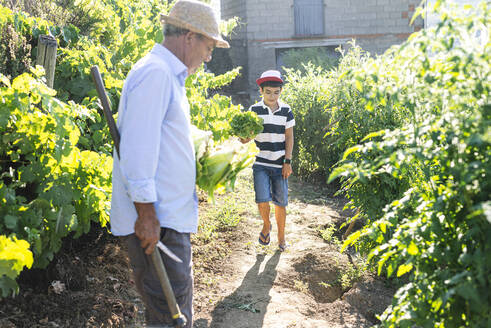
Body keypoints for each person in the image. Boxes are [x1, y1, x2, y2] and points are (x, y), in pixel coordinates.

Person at [109, 1, 229, 327]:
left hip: (166, 222)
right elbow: (137, 149)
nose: (208, 56)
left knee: (171, 310)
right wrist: (147, 215)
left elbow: (161, 140)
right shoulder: (156, 74)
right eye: (208, 46)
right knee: (171, 316)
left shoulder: (168, 75)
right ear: (189, 37)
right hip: (158, 225)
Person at [240, 70, 295, 252]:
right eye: (268, 92)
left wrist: (287, 161)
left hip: (280, 164)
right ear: (261, 91)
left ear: (280, 92)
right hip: (261, 162)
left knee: (281, 203)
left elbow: (289, 137)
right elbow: (248, 136)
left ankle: (281, 238)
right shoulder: (254, 111)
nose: (272, 96)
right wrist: (244, 138)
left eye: (276, 92)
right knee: (262, 199)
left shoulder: (286, 111)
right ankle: (266, 225)